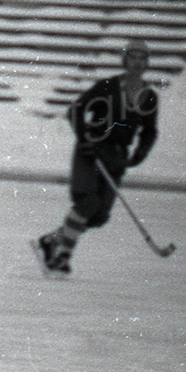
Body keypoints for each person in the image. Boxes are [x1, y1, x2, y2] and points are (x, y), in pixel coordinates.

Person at [34, 39, 159, 275]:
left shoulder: (150, 97)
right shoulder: (108, 87)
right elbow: (76, 110)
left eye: (143, 59)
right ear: (125, 60)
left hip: (117, 156)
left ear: (147, 63)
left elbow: (150, 131)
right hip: (91, 150)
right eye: (133, 57)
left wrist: (138, 155)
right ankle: (62, 257)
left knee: (98, 216)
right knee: (87, 202)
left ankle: (51, 241)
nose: (137, 63)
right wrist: (85, 140)